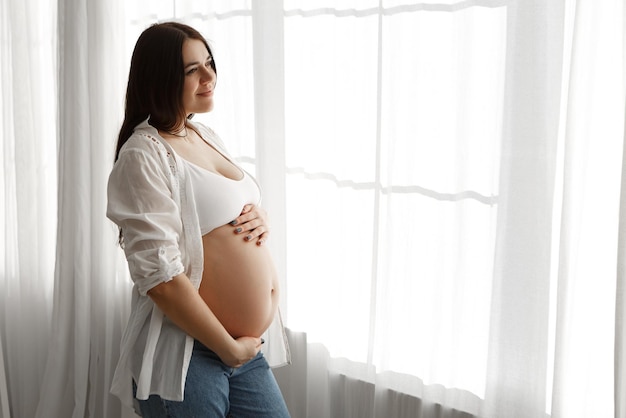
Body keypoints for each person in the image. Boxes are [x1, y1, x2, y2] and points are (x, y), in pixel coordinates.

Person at [106, 21, 291, 417]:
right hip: (191, 354)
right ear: (160, 78)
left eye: (209, 63)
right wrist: (227, 348)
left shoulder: (202, 134)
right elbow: (161, 280)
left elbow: (215, 214)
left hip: (243, 352)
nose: (210, 76)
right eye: (193, 70)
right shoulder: (143, 155)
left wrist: (260, 217)